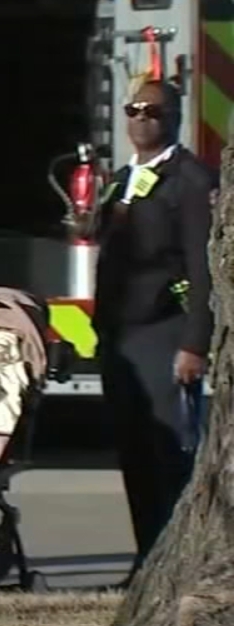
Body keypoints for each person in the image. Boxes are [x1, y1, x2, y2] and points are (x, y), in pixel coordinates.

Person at [90, 78, 215, 584]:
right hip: (120, 335)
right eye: (134, 109)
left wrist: (193, 342)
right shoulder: (124, 178)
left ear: (175, 118)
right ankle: (146, 565)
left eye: (154, 112)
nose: (142, 118)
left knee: (167, 457)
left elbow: (204, 269)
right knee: (134, 453)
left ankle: (174, 569)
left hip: (163, 334)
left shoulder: (190, 181)